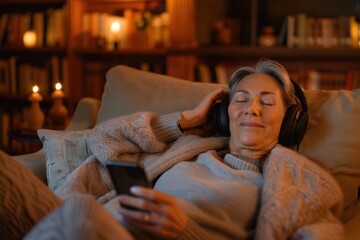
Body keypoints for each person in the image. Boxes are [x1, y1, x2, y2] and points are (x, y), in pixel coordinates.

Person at [0, 59, 344, 240]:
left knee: (79, 213)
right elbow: (102, 141)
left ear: (290, 120)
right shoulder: (190, 147)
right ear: (226, 113)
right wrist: (181, 122)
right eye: (241, 100)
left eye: (267, 102)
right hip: (96, 225)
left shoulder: (296, 183)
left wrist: (183, 231)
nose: (251, 109)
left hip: (91, 223)